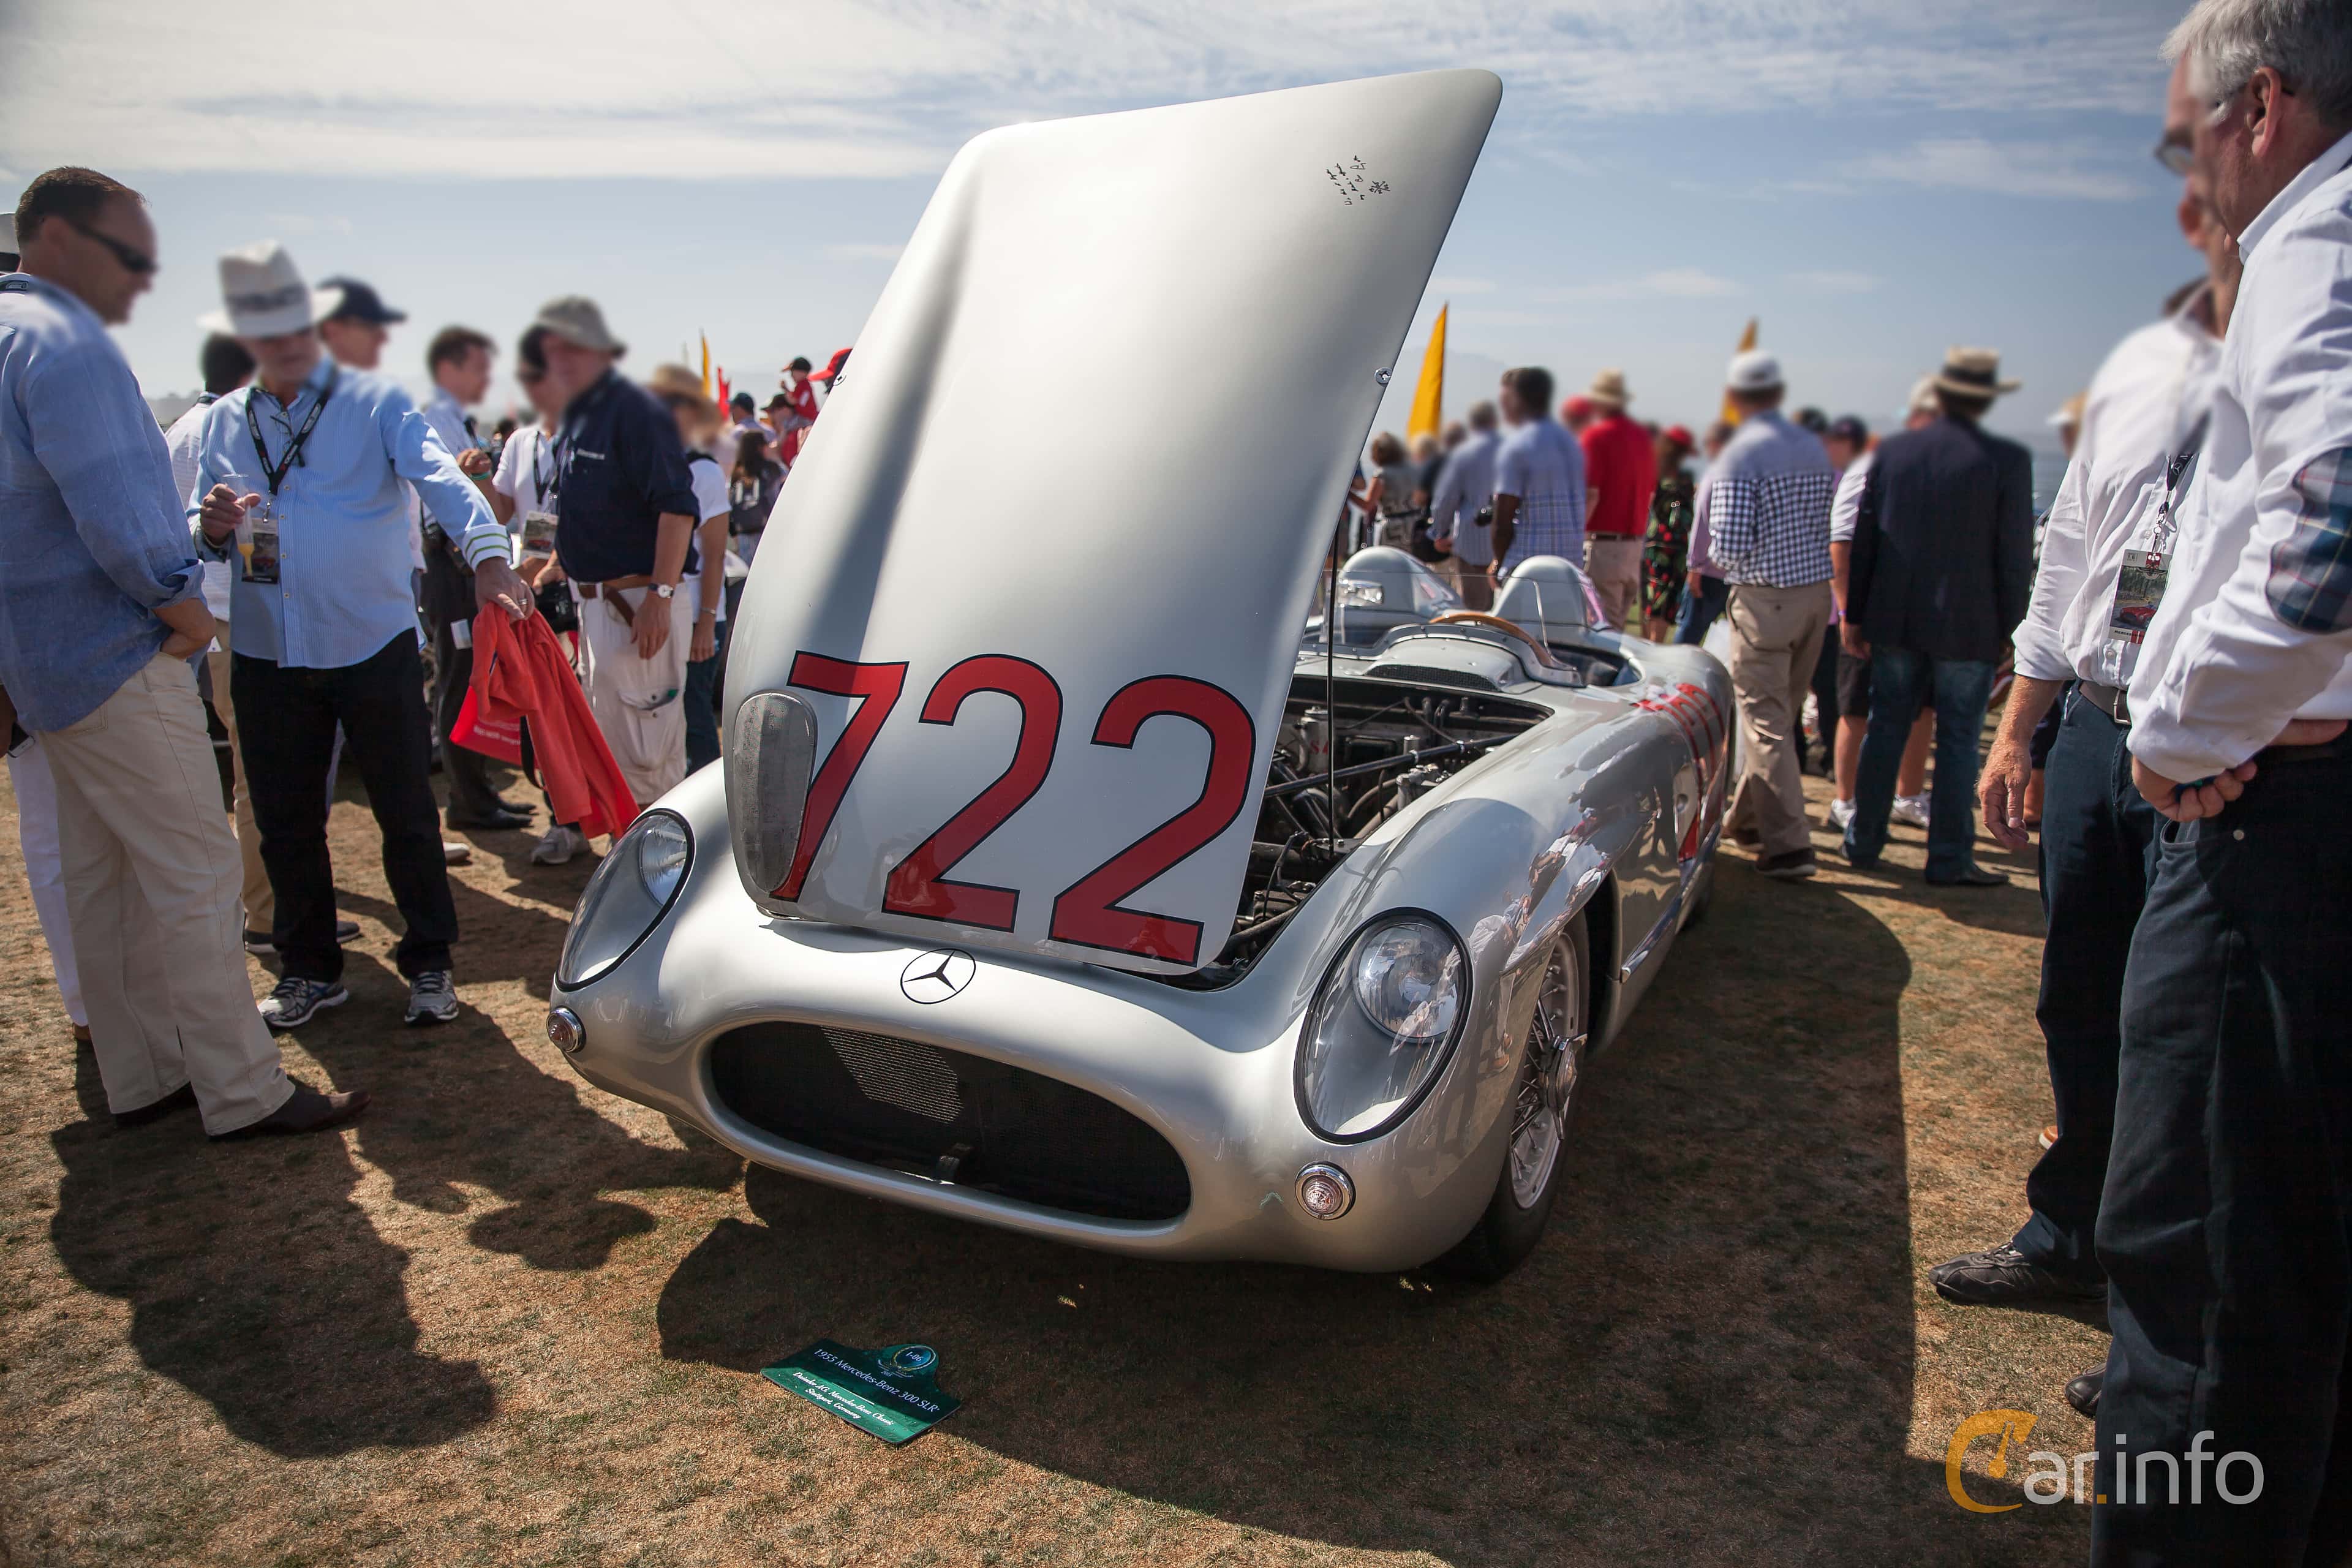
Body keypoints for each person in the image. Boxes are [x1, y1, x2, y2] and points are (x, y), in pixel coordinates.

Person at [2091, 3, 2352, 1554]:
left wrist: (2186, 726)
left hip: (2265, 821)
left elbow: (2323, 534)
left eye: (2184, 129)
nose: (2180, 160)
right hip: (2300, 800)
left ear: (2256, 104)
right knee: (2292, 1260)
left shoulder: (2317, 240)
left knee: (2195, 1255)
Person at [1935, 58, 2237, 1352]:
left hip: (2227, 755)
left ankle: (2159, 1309)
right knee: (2080, 994)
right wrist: (2019, 726)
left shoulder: (2311, 374)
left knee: (2193, 1034)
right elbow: (2069, 560)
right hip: (2101, 732)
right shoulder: (2143, 371)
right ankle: (2072, 1234)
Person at [0, 167, 363, 1137]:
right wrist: (184, 610)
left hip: (43, 666)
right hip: (118, 657)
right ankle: (242, 1090)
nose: (144, 279)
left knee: (102, 882)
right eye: (131, 254)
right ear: (64, 240)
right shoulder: (66, 344)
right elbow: (118, 515)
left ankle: (145, 1074)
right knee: (197, 874)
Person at [189, 241, 530, 1030]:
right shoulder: (224, 422)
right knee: (284, 820)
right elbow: (200, 527)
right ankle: (310, 969)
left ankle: (431, 963)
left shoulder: (375, 403)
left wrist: (484, 557)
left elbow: (442, 477)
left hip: (370, 644)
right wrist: (205, 527)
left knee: (407, 812)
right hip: (268, 650)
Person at [1841, 349, 2034, 885]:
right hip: (1968, 625)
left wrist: (1855, 614)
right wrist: (2010, 628)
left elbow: (1865, 541)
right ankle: (1949, 858)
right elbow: (2014, 556)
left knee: (1886, 731)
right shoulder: (2008, 459)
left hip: (1896, 619)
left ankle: (1862, 843)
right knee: (1957, 743)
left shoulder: (1895, 453)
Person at [530, 296, 699, 807]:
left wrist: (661, 597)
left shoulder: (636, 413)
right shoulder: (579, 418)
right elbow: (573, 509)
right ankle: (632, 865)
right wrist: (547, 567)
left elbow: (678, 510)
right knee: (612, 749)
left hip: (637, 610)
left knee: (648, 759)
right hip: (599, 609)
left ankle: (664, 876)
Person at [1709, 351, 1837, 881]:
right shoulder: (1811, 443)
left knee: (1765, 726)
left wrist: (1728, 564)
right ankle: (1748, 822)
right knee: (1778, 721)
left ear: (1736, 397)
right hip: (1814, 594)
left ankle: (1789, 847)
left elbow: (1728, 543)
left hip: (1766, 598)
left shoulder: (1742, 452)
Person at [419, 324, 530, 834]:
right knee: (457, 679)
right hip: (453, 564)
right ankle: (468, 800)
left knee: (469, 679)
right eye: (479, 367)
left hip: (467, 564)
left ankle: (478, 794)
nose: (487, 378)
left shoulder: (455, 420)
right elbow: (439, 504)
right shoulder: (432, 418)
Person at [1826, 384, 1942, 831]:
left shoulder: (1940, 467)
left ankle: (1909, 794)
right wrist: (1846, 610)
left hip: (1922, 617)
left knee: (1922, 709)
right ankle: (1845, 800)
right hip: (1870, 612)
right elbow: (1843, 538)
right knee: (1857, 709)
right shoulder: (1875, 462)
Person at [644, 364, 733, 775]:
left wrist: (705, 622)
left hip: (699, 611)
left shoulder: (704, 471)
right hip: (666, 611)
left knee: (697, 720)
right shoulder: (651, 466)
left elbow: (715, 555)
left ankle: (710, 820)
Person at [1488, 367, 1587, 589]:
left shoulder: (1517, 447)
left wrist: (1498, 562)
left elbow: (1503, 518)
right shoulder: (1572, 444)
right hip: (1570, 570)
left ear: (1517, 399)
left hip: (1528, 571)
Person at [1577, 369, 1656, 630]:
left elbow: (1591, 495)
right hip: (1634, 547)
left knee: (1598, 631)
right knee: (1617, 630)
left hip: (1604, 546)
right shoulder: (1642, 438)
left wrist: (1573, 538)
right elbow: (1650, 493)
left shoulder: (1597, 437)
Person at [1429, 400, 1501, 609]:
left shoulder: (1463, 455)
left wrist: (1439, 532)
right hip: (1506, 545)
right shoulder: (1511, 451)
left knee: (1474, 609)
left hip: (1472, 542)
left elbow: (1445, 499)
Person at [1641, 424, 1697, 641]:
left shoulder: (1655, 472)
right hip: (1679, 548)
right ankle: (1656, 647)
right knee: (1667, 602)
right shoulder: (1686, 478)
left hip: (1655, 546)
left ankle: (1648, 649)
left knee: (1651, 601)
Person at [729, 428, 785, 568]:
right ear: (761, 448)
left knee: (750, 574)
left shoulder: (737, 474)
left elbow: (731, 505)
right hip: (770, 531)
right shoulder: (774, 469)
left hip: (744, 536)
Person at [1363, 432, 1418, 549]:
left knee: (1387, 564)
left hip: (1391, 529)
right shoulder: (1411, 471)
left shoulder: (1382, 475)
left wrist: (1348, 494)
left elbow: (1368, 505)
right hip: (1412, 526)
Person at [771, 356, 819, 465]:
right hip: (809, 418)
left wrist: (785, 389)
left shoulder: (802, 386)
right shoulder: (805, 386)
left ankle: (777, 446)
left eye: (793, 372)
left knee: (787, 427)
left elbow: (792, 401)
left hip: (804, 418)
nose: (791, 376)